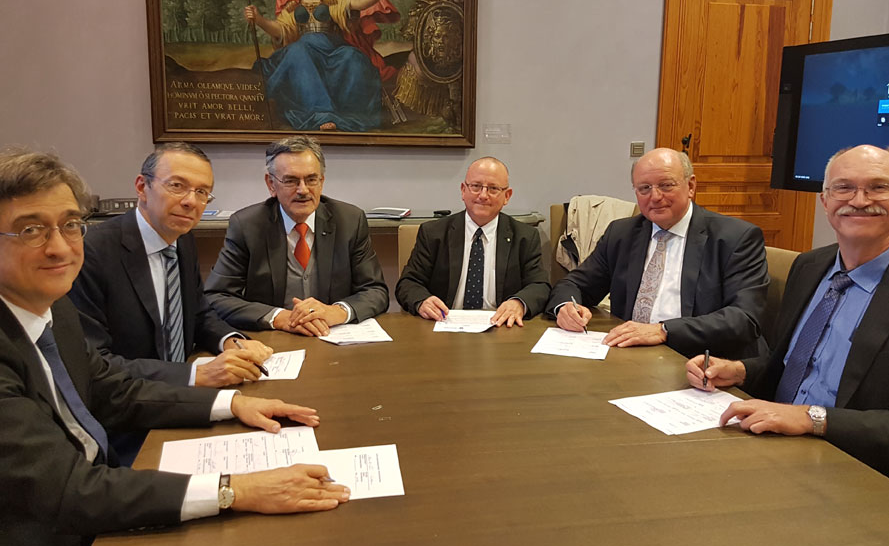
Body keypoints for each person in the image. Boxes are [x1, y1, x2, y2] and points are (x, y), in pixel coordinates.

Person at [0, 148, 349, 546]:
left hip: (102, 488)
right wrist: (235, 490)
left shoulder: (54, 308)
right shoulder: (66, 283)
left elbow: (113, 387)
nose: (60, 247)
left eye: (71, 225)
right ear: (141, 188)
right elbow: (69, 491)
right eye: (30, 229)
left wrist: (232, 404)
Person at [687, 145, 889, 482]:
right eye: (843, 188)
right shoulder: (810, 267)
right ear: (825, 201)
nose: (859, 200)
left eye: (879, 187)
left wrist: (813, 419)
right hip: (772, 451)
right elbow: (795, 367)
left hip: (857, 473)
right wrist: (740, 371)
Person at [69, 143, 272, 388]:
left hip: (180, 397)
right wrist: (194, 376)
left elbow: (198, 314)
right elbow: (94, 362)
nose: (191, 202)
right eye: (177, 186)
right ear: (142, 187)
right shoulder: (92, 252)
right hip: (128, 402)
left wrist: (230, 340)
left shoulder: (182, 239)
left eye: (202, 192)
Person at [547, 148, 768, 358]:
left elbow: (744, 318)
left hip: (699, 360)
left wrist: (664, 330)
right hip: (629, 356)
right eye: (644, 188)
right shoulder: (622, 234)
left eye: (666, 185)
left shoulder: (735, 238)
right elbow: (575, 284)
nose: (655, 196)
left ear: (691, 186)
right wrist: (566, 307)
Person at [205, 136, 389, 336]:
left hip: (333, 337)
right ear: (271, 184)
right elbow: (217, 296)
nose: (303, 190)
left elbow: (376, 291)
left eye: (311, 179)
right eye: (291, 180)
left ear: (322, 182)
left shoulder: (350, 220)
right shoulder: (247, 225)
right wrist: (281, 317)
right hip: (275, 339)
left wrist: (336, 311)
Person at [244, 0, 400, 132]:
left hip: (333, 51)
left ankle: (348, 115)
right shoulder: (294, 6)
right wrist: (259, 19)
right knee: (299, 51)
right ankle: (321, 115)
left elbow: (359, 2)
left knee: (353, 58)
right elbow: (280, 30)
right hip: (305, 50)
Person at [395, 157, 550, 326]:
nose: (483, 195)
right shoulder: (433, 233)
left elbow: (540, 286)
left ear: (507, 196)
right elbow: (408, 283)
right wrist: (423, 301)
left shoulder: (525, 237)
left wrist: (519, 303)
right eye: (476, 186)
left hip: (501, 327)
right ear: (463, 190)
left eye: (493, 188)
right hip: (444, 326)